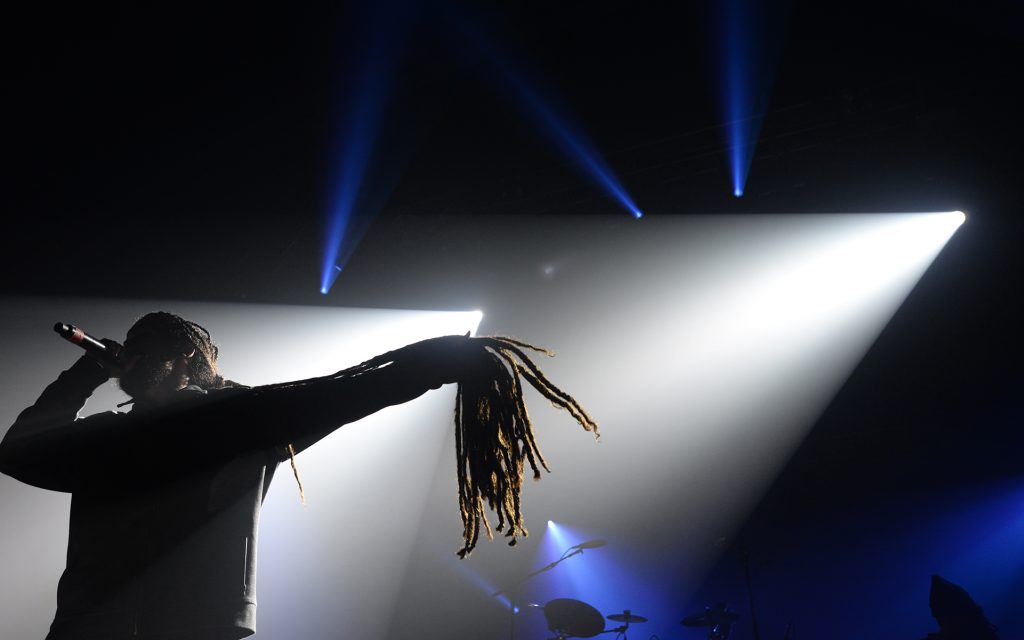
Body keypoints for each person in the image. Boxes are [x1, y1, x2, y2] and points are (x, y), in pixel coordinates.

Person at [0, 312, 596, 640]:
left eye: (144, 345)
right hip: (92, 623)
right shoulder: (111, 434)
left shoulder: (235, 418)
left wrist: (431, 363)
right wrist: (84, 372)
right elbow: (19, 451)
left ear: (184, 358)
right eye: (125, 345)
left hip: (192, 626)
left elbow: (338, 393)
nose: (128, 353)